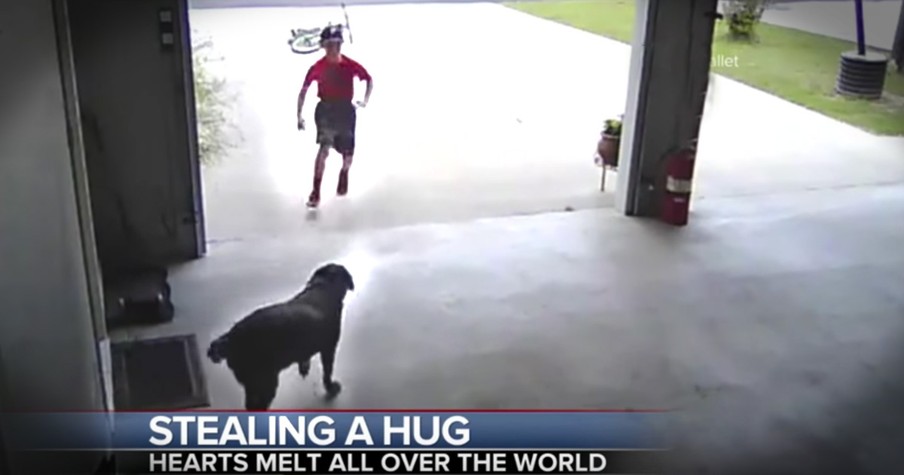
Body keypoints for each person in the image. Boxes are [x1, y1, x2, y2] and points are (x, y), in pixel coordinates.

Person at [296, 25, 373, 208]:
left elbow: (368, 79)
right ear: (323, 46)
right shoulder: (317, 67)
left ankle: (344, 173)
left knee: (348, 153)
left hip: (346, 110)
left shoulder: (350, 65)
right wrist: (299, 115)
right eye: (330, 45)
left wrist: (364, 100)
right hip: (326, 109)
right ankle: (316, 191)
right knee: (324, 148)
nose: (334, 49)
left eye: (337, 45)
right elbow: (303, 91)